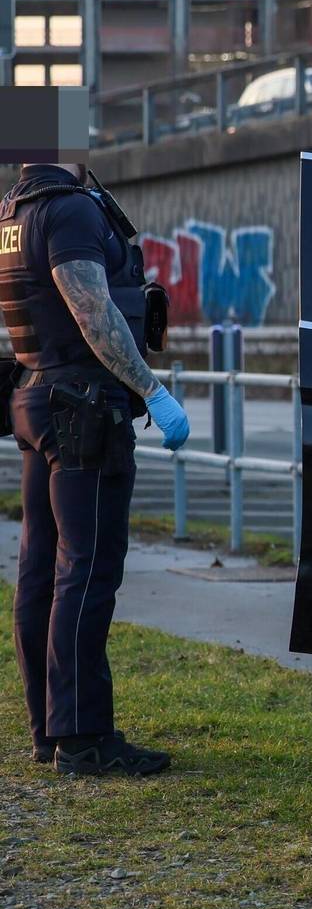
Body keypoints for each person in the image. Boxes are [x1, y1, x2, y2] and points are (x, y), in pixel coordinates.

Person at [1, 161, 189, 776]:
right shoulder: (70, 208)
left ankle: (48, 730)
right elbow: (90, 309)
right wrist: (153, 391)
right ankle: (83, 738)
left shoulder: (14, 211)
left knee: (39, 569)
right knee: (87, 569)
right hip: (82, 407)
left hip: (37, 394)